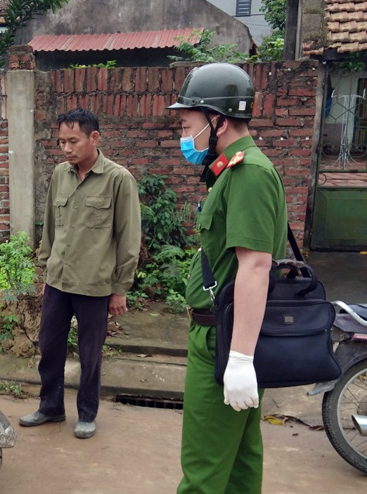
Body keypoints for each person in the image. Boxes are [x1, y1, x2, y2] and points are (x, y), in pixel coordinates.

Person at [167, 63, 288, 494]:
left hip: (223, 340)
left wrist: (238, 359)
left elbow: (255, 266)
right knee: (238, 464)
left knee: (203, 472)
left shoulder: (248, 173)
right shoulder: (234, 169)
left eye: (188, 125)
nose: (184, 135)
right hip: (228, 333)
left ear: (216, 120)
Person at [19, 107, 141, 439]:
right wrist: (46, 271)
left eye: (73, 141)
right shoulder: (61, 174)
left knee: (90, 353)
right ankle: (50, 407)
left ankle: (87, 413)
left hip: (94, 285)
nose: (66, 148)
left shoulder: (118, 179)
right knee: (49, 346)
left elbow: (128, 237)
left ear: (94, 137)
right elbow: (51, 227)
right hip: (58, 281)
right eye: (61, 142)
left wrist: (120, 288)